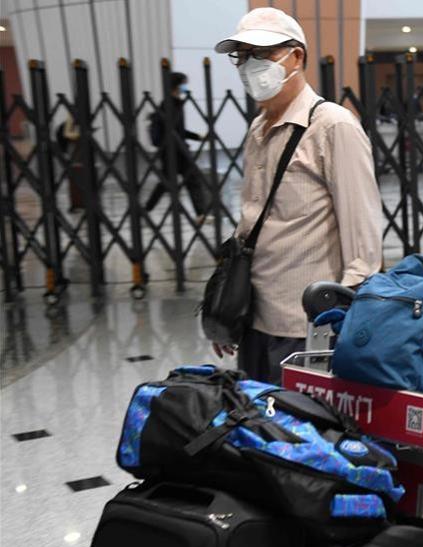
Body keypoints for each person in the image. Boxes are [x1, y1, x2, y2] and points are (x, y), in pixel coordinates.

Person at [210, 7, 382, 384]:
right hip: (255, 321)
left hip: (306, 328)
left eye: (262, 53)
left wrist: (346, 326)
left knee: (300, 433)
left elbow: (364, 244)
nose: (250, 65)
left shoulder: (333, 126)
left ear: (296, 56)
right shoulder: (258, 128)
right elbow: (251, 225)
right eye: (242, 55)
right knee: (260, 433)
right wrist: (228, 309)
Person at [145, 72, 211, 220]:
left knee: (173, 182)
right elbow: (173, 131)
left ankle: (200, 214)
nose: (185, 87)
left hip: (175, 150)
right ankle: (200, 214)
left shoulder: (175, 103)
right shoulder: (170, 104)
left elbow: (178, 131)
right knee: (189, 180)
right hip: (175, 151)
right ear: (176, 85)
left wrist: (198, 137)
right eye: (184, 83)